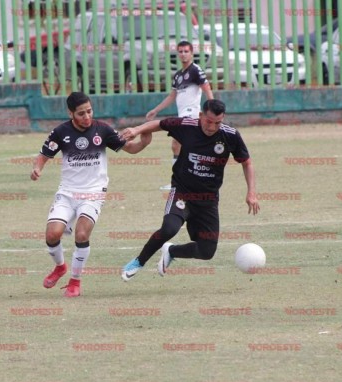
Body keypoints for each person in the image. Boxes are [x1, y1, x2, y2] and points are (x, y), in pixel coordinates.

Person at [120, 99, 260, 281]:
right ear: (201, 116)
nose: (212, 127)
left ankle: (171, 251)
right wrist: (136, 130)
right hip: (182, 192)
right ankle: (139, 261)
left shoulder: (230, 135)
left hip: (208, 199)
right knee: (169, 228)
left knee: (207, 250)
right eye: (209, 121)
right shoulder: (187, 125)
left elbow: (247, 163)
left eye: (217, 123)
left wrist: (251, 193)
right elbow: (159, 124)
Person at [30, 92, 152, 297]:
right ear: (70, 113)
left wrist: (144, 143)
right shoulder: (60, 132)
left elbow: (130, 148)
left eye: (89, 111)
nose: (87, 116)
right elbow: (44, 154)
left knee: (81, 234)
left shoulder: (102, 129)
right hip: (67, 192)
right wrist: (37, 168)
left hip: (94, 192)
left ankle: (75, 281)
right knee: (52, 234)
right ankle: (60, 267)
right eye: (81, 113)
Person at [146, 40, 214, 191]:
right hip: (182, 113)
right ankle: (185, 180)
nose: (183, 54)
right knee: (182, 146)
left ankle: (179, 182)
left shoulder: (196, 70)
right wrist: (155, 110)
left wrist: (213, 112)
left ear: (191, 53)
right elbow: (172, 96)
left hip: (191, 113)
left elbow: (207, 89)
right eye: (181, 51)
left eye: (186, 51)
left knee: (177, 143)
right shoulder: (178, 75)